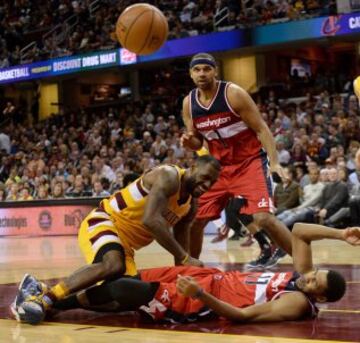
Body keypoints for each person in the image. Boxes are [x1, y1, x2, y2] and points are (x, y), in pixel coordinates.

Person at [11, 156, 221, 324]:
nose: (208, 184)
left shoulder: (191, 205)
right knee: (114, 264)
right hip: (106, 220)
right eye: (205, 177)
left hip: (126, 246)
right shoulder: (169, 176)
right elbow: (151, 221)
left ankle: (48, 299)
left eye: (212, 182)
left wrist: (183, 276)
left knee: (124, 297)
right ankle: (44, 299)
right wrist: (185, 258)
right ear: (193, 166)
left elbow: (181, 241)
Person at [13, 223, 358, 324]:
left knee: (125, 289)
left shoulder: (297, 301)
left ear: (319, 298)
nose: (308, 277)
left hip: (202, 301)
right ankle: (49, 299)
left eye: (314, 282)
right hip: (206, 277)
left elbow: (240, 316)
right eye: (314, 274)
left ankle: (50, 303)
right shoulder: (301, 279)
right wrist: (340, 234)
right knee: (124, 280)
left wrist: (199, 294)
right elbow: (298, 230)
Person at [181, 52, 292, 267]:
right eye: (197, 69)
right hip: (217, 168)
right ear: (191, 74)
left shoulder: (233, 94)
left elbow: (261, 128)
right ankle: (191, 270)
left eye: (206, 69)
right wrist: (190, 143)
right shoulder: (189, 104)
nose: (202, 73)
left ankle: (307, 267)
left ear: (215, 71)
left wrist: (275, 162)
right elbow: (197, 142)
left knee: (263, 218)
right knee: (194, 220)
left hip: (249, 162)